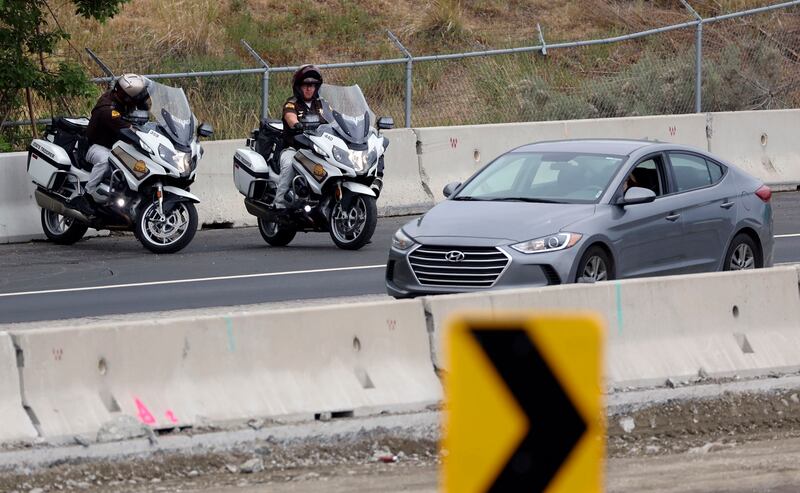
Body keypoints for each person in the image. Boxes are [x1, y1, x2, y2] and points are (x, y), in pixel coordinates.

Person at [73, 74, 150, 211]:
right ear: (126, 96)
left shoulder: (120, 99)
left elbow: (143, 108)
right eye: (136, 97)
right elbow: (129, 130)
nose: (137, 100)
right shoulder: (108, 110)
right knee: (105, 160)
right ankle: (87, 196)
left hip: (115, 145)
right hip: (94, 146)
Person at [274, 65, 329, 208]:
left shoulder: (322, 104)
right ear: (298, 87)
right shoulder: (292, 104)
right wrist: (296, 124)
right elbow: (290, 117)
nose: (309, 88)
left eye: (312, 85)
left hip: (317, 149)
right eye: (305, 85)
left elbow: (334, 119)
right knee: (289, 165)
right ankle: (279, 204)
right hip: (294, 149)